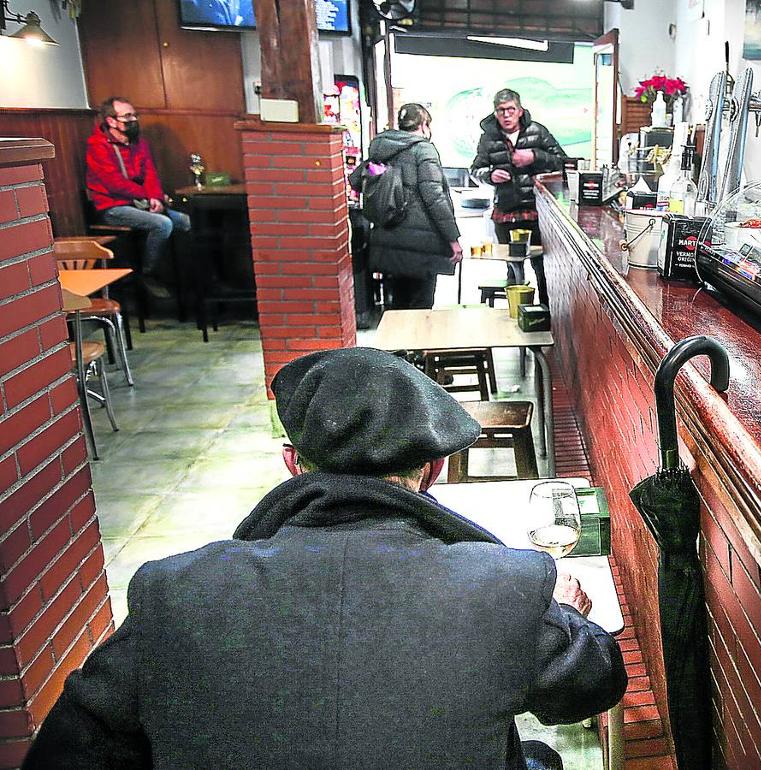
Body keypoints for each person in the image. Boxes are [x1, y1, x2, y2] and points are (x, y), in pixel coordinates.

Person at [24, 347, 627, 770]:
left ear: (292, 463)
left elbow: (69, 752)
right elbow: (592, 684)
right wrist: (557, 614)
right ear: (434, 470)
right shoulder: (505, 584)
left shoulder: (174, 591)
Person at [349, 103, 463, 310]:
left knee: (398, 307)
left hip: (387, 239)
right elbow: (434, 197)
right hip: (422, 244)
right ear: (424, 124)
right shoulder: (424, 149)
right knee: (421, 307)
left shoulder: (381, 147)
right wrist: (452, 238)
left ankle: (396, 344)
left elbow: (356, 181)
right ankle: (417, 343)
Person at [85, 96, 191, 297]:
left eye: (134, 115)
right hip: (113, 206)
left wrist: (156, 198)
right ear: (111, 121)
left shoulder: (139, 143)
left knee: (186, 221)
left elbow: (150, 172)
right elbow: (114, 184)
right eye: (127, 116)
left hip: (140, 202)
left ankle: (187, 278)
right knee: (163, 224)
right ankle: (149, 273)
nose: (133, 120)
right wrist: (148, 196)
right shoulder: (98, 145)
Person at [471, 89, 567, 306]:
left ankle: (546, 316)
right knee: (513, 271)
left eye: (510, 110)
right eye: (501, 111)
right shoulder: (488, 137)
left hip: (536, 211)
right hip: (504, 211)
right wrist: (490, 175)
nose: (506, 115)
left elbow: (563, 162)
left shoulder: (538, 131)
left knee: (542, 269)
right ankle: (516, 316)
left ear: (519, 110)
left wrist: (534, 156)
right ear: (495, 113)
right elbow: (475, 170)